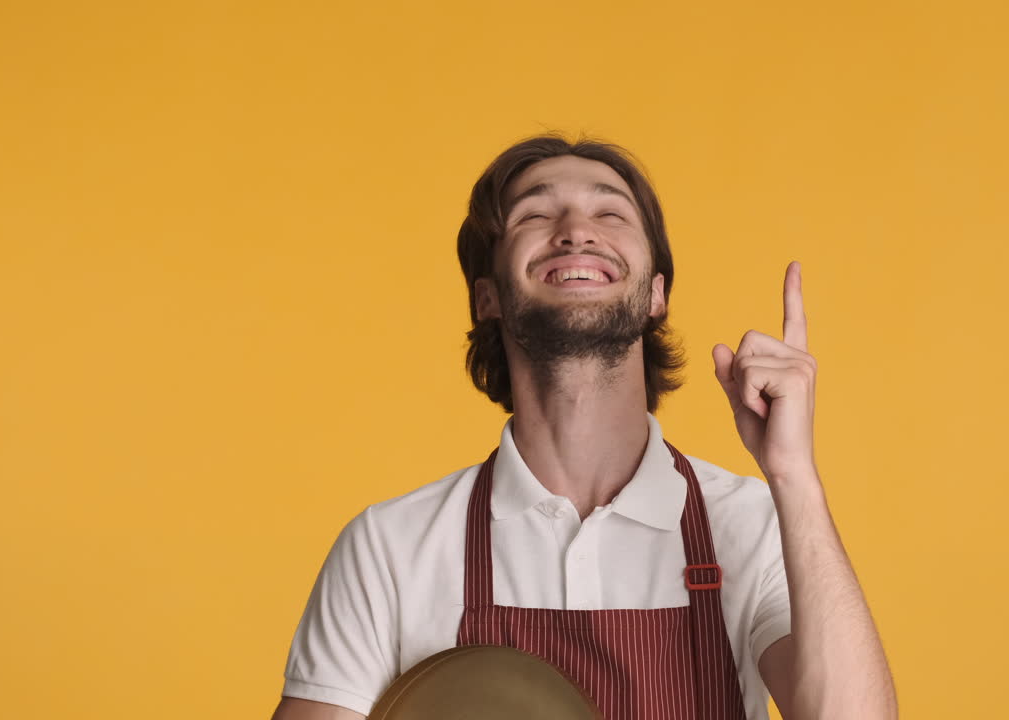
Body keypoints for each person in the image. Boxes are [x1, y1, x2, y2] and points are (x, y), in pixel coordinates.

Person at [271, 135, 897, 720]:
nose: (575, 232)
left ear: (656, 294)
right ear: (486, 296)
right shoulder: (390, 548)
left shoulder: (756, 524)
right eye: (536, 216)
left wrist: (794, 476)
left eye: (611, 215)